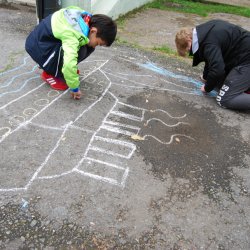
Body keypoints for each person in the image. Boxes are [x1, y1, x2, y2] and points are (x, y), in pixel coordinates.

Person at [25, 6, 117, 100]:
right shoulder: (73, 34)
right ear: (93, 31)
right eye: (98, 43)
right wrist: (74, 88)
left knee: (87, 46)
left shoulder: (84, 18)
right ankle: (49, 72)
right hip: (38, 48)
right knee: (81, 51)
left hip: (44, 42)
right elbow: (69, 63)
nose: (95, 46)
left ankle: (60, 69)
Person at [175, 19, 250, 110]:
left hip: (246, 61)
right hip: (242, 57)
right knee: (218, 83)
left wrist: (207, 88)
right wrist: (206, 77)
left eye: (188, 50)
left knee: (224, 99)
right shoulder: (204, 31)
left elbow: (218, 69)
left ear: (189, 41)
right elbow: (210, 57)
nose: (190, 52)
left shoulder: (208, 43)